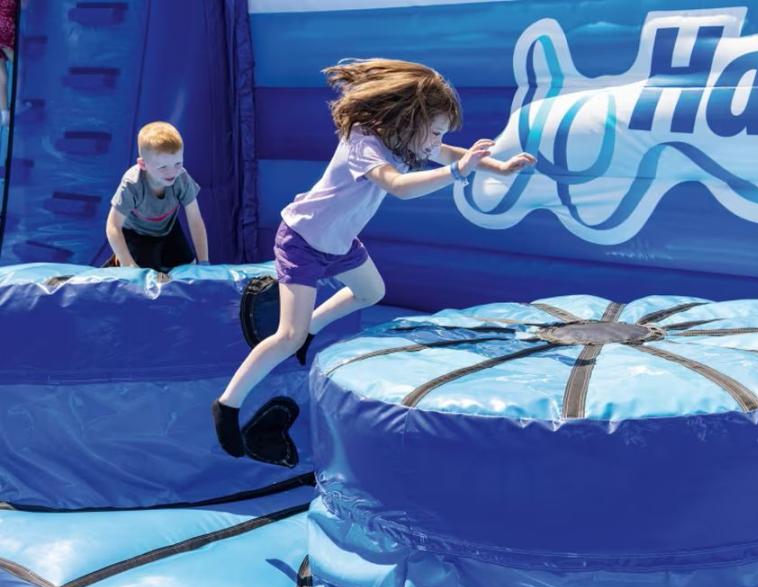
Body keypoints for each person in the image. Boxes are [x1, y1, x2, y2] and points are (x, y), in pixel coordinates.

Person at [212, 58, 535, 458]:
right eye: (433, 132)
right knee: (286, 336)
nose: (436, 142)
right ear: (409, 118)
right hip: (303, 238)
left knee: (370, 291)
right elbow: (398, 186)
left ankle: (311, 327)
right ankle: (227, 404)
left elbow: (450, 153)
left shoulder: (409, 140)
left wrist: (498, 168)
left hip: (340, 240)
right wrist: (459, 174)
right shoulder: (364, 142)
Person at [105, 121, 209, 272]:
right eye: (163, 167)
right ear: (143, 164)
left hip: (168, 229)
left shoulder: (181, 177)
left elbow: (195, 220)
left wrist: (204, 261)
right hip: (137, 235)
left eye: (178, 163)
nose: (172, 172)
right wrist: (128, 265)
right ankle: (117, 261)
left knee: (190, 268)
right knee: (145, 277)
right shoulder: (132, 184)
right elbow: (113, 226)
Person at [0, 0, 17, 127]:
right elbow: (26, 6)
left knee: (2, 77)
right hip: (4, 26)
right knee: (21, 66)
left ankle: (5, 114)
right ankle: (21, 102)